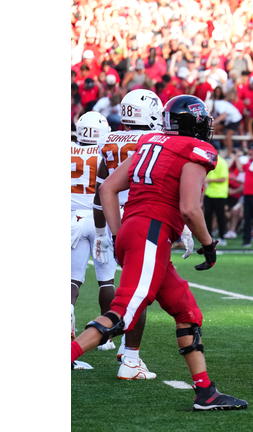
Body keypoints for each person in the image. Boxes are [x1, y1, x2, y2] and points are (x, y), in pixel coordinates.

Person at [72, 95, 248, 411]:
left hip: (135, 231)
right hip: (150, 235)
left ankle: (205, 392)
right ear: (194, 123)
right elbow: (190, 209)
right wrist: (208, 244)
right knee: (122, 314)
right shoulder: (197, 150)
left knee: (186, 311)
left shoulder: (150, 141)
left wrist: (116, 232)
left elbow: (107, 188)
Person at [91, 89, 168, 379]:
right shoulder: (153, 140)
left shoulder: (109, 139)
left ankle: (126, 350)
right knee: (139, 291)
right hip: (144, 217)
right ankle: (129, 357)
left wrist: (104, 233)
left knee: (134, 287)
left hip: (116, 222)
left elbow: (103, 188)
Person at [71, 112, 114, 370]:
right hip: (100, 217)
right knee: (106, 278)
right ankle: (104, 337)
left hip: (71, 218)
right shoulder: (107, 152)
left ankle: (68, 320)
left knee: (72, 279)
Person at [204, 146, 230, 246]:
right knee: (207, 217)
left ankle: (222, 237)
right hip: (209, 194)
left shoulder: (222, 162)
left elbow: (223, 178)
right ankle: (208, 238)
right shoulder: (209, 162)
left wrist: (209, 180)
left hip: (219, 194)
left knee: (220, 217)